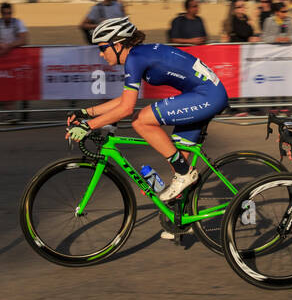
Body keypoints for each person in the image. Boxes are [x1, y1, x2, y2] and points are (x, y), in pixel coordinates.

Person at [69, 18, 229, 227]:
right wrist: (86, 112)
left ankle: (185, 173)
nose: (101, 53)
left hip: (207, 95)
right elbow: (123, 100)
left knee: (141, 121)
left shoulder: (135, 58)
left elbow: (126, 109)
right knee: (177, 160)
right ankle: (182, 221)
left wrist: (88, 125)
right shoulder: (138, 55)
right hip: (202, 94)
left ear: (117, 45)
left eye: (102, 47)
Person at [0, 2, 29, 123]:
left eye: (9, 13)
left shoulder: (18, 22)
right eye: (5, 13)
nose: (7, 16)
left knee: (17, 86)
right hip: (2, 60)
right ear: (1, 14)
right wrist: (0, 45)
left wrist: (8, 46)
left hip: (16, 58)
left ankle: (16, 110)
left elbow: (24, 39)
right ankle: (8, 113)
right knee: (6, 86)